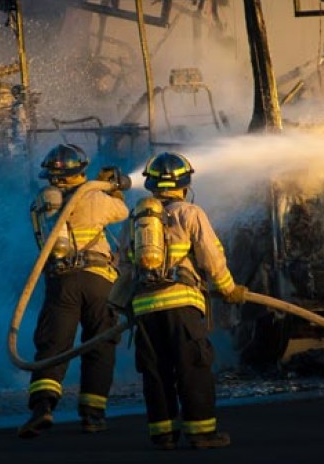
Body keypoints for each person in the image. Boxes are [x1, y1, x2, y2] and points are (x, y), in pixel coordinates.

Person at [125, 151, 247, 450]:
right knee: (192, 367)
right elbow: (211, 258)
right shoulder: (190, 213)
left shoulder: (136, 219)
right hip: (181, 305)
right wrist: (228, 289)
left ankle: (163, 434)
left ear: (151, 184)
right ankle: (202, 433)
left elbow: (123, 264)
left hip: (145, 308)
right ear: (186, 183)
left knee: (156, 372)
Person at [18, 143, 129, 439]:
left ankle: (42, 408)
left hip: (62, 282)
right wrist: (113, 188)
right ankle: (93, 415)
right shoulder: (94, 197)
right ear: (81, 169)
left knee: (53, 346)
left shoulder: (44, 200)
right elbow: (122, 211)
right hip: (98, 280)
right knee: (100, 344)